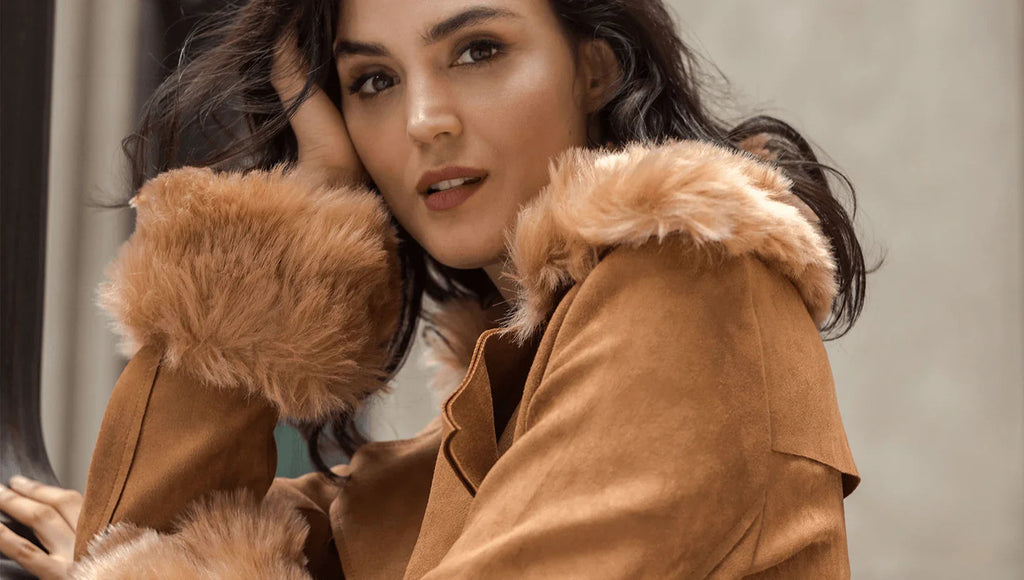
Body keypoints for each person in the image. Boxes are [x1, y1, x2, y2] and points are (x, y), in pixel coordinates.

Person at [0, 0, 874, 577]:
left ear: (596, 66)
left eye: (478, 51)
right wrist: (302, 209)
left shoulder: (691, 285)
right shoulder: (493, 420)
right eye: (372, 81)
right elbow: (141, 541)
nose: (424, 120)